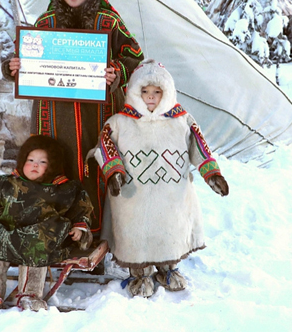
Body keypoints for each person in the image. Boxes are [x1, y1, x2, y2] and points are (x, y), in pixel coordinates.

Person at [2, 0, 144, 238]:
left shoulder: (109, 22)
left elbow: (134, 56)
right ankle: (52, 235)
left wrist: (116, 72)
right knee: (55, 166)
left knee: (94, 169)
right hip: (53, 115)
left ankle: (98, 235)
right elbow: (24, 57)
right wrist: (12, 67)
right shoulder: (46, 22)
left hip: (98, 115)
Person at [93, 59, 229, 298]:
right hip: (132, 196)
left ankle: (168, 269)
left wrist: (212, 173)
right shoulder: (120, 122)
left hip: (172, 195)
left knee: (170, 229)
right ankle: (140, 273)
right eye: (144, 91)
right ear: (134, 91)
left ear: (167, 92)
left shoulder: (181, 120)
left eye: (157, 92)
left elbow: (199, 146)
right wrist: (113, 171)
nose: (150, 97)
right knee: (136, 233)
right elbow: (104, 146)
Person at [0, 135, 94, 311]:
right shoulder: (4, 183)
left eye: (42, 162)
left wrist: (79, 227)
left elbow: (81, 207)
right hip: (6, 233)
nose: (35, 165)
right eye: (31, 160)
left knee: (37, 239)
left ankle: (30, 295)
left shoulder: (64, 188)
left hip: (40, 236)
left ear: (52, 166)